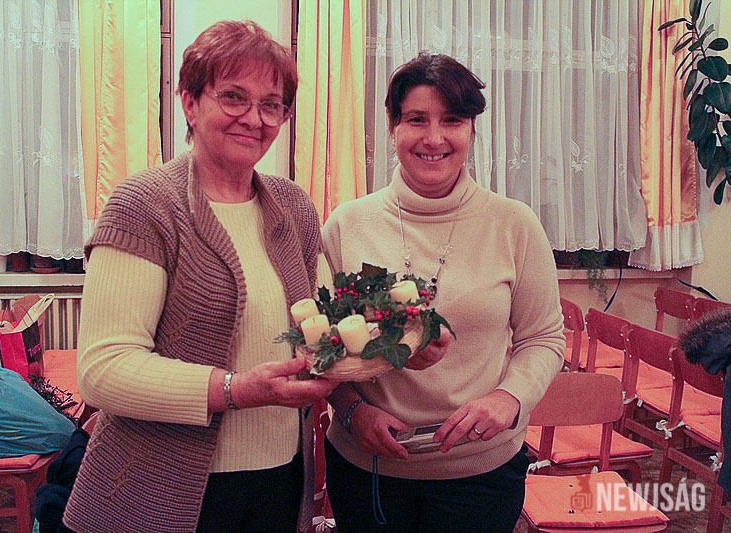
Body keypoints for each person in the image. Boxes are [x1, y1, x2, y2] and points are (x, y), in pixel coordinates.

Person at [63, 21, 338, 533]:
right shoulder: (145, 206)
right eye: (233, 97)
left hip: (279, 479)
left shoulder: (294, 208)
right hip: (160, 486)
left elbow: (327, 329)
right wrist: (235, 390)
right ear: (190, 102)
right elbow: (104, 370)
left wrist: (400, 343)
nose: (253, 118)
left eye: (271, 105)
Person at [321, 53, 566, 532]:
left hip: (481, 472)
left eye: (452, 120)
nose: (434, 138)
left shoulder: (514, 224)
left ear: (471, 129)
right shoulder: (347, 225)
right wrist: (352, 411)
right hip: (369, 469)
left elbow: (544, 337)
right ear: (392, 126)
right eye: (416, 119)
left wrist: (509, 397)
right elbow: (322, 349)